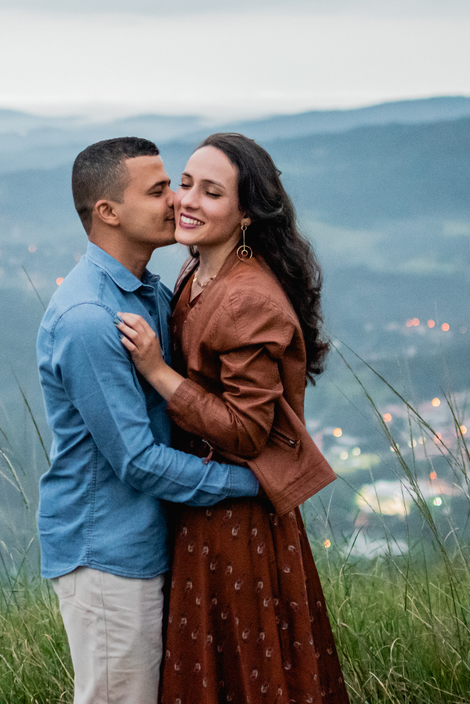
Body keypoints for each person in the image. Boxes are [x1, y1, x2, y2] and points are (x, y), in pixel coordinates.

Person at [117, 133, 350, 703]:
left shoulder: (249, 298)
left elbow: (247, 430)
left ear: (245, 214)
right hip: (207, 512)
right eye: (185, 184)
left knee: (245, 674)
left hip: (237, 527)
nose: (188, 201)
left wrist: (157, 371)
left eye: (212, 192)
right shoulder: (198, 274)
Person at [37, 136, 263, 704]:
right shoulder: (92, 318)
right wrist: (252, 484)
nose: (176, 201)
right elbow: (137, 460)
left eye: (176, 186)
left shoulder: (148, 293)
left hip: (146, 540)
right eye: (159, 189)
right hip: (108, 550)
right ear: (108, 213)